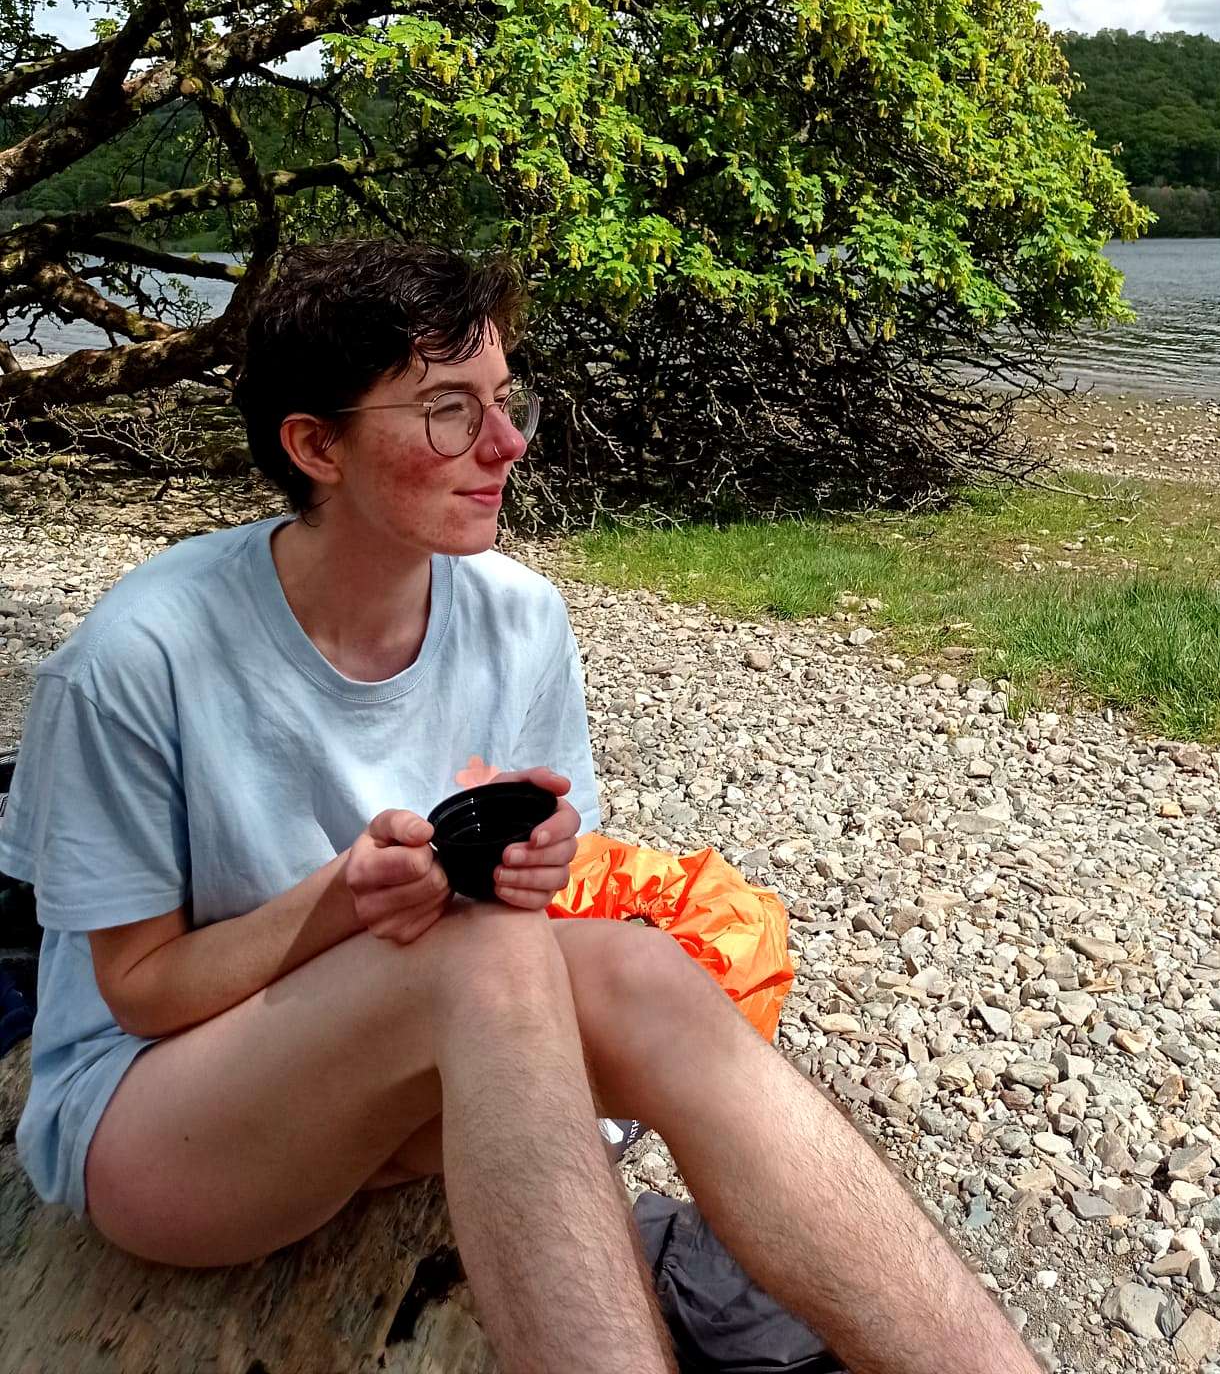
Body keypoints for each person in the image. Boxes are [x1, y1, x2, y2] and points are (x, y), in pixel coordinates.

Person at [0, 239, 1038, 1374]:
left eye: (505, 401)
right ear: (316, 445)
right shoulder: (137, 660)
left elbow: (528, 900)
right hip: (160, 1127)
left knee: (646, 971)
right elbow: (142, 991)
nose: (506, 444)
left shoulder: (517, 616)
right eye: (449, 411)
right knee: (486, 956)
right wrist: (342, 901)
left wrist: (533, 868)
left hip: (398, 1078)